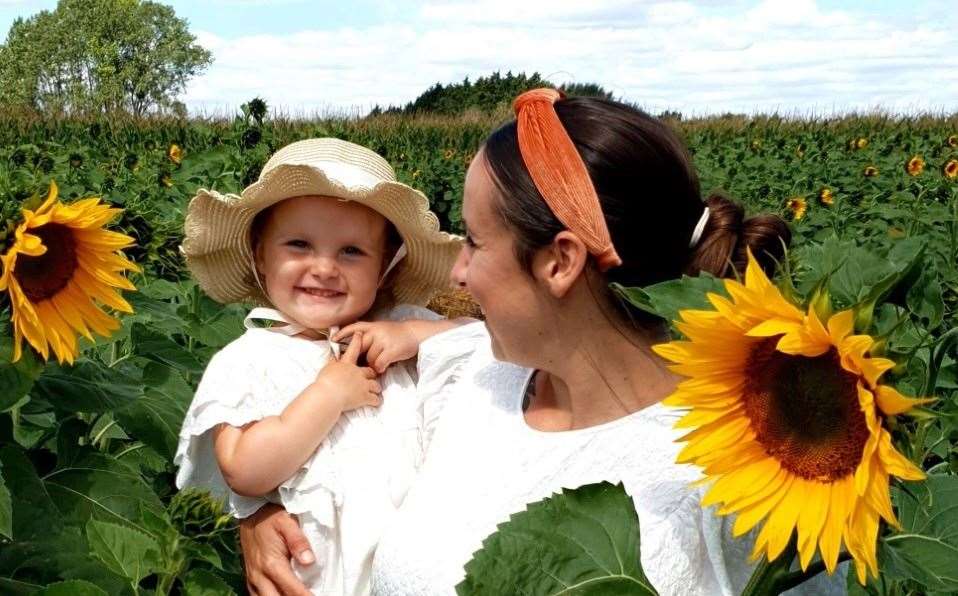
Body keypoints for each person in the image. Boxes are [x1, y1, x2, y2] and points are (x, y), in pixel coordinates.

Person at [237, 91, 845, 595]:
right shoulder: (465, 374)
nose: (458, 274)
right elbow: (323, 450)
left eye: (474, 241)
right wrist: (260, 516)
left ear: (559, 261)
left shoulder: (746, 475)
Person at [174, 138, 468, 596]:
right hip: (321, 580)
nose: (325, 267)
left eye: (352, 251)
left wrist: (413, 336)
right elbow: (244, 469)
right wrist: (327, 396)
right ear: (260, 255)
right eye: (299, 244)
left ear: (386, 269)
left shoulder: (400, 334)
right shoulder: (249, 360)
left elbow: (487, 343)